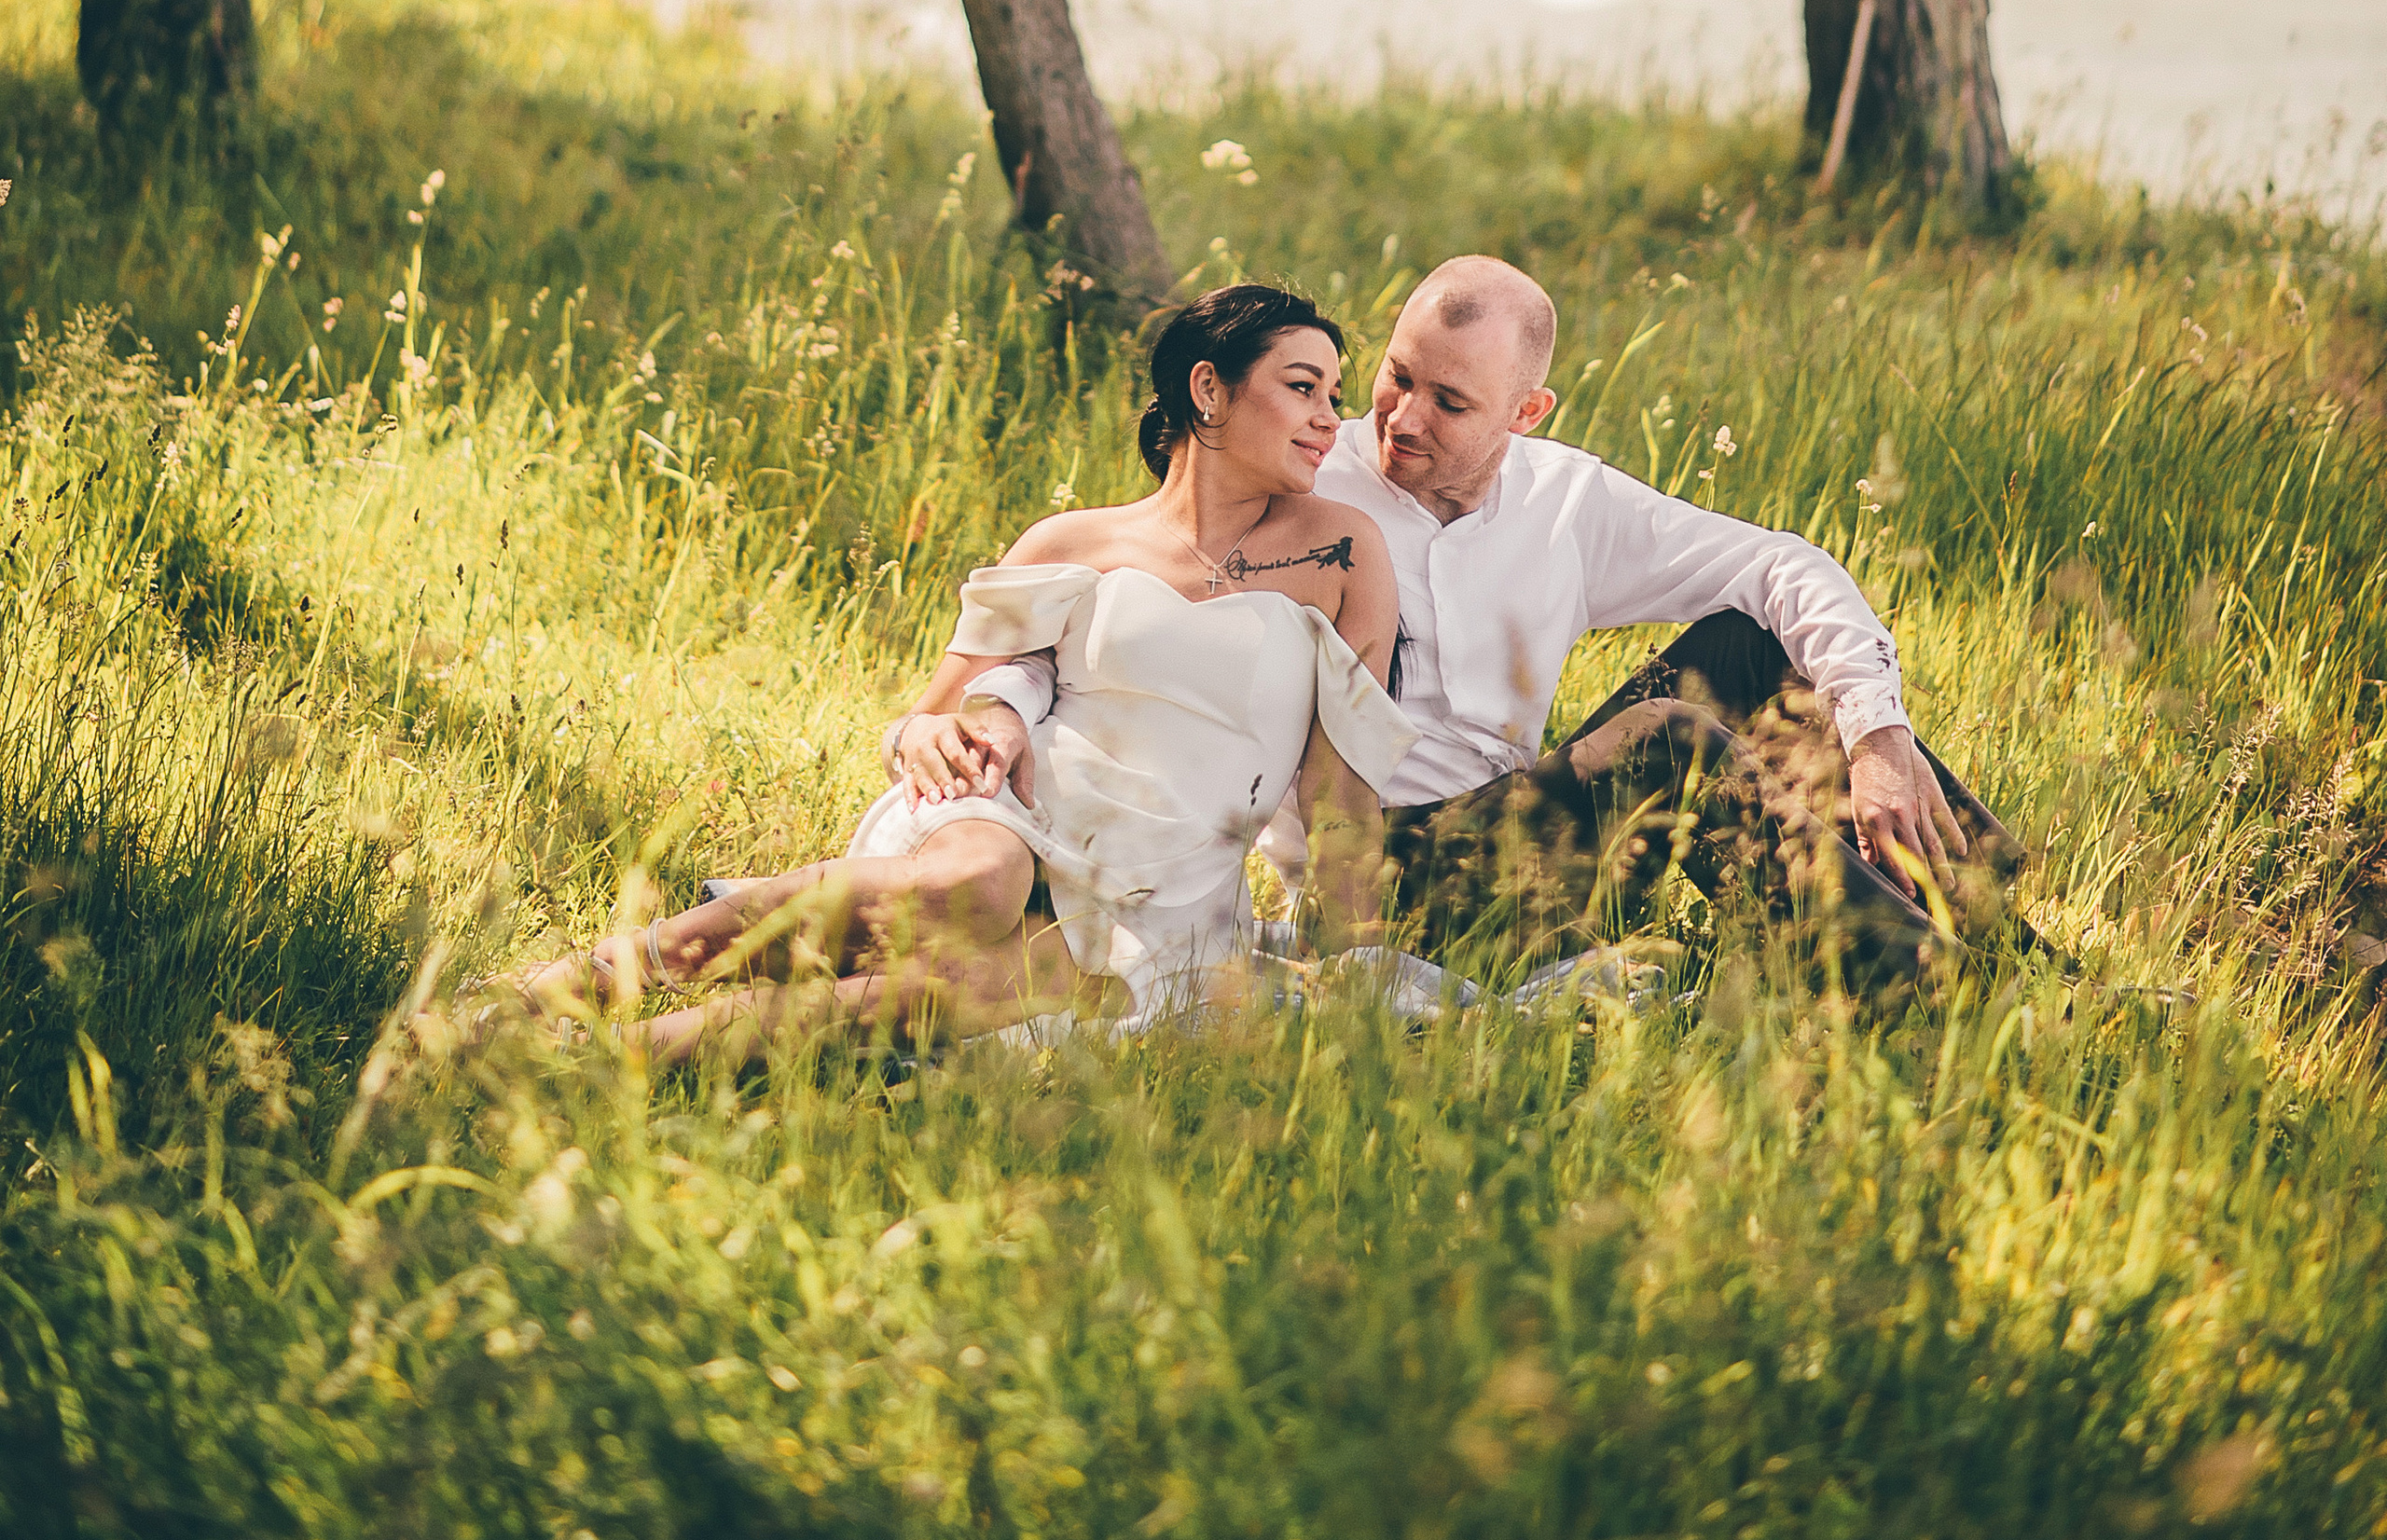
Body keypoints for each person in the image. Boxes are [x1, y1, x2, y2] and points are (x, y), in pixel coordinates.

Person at [525, 285, 1412, 1063]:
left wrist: (1355, 956)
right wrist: (935, 731)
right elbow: (927, 718)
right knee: (976, 888)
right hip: (1011, 816)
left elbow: (1340, 791)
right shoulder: (1075, 542)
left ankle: (598, 1066)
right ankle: (591, 978)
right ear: (1209, 389)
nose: (1333, 417)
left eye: (1334, 394)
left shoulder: (1342, 551)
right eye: (1302, 387)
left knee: (947, 994)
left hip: (1164, 885)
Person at [1287, 253, 2024, 986]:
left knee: (1749, 643)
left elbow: (1779, 565)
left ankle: (2018, 957)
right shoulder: (1307, 480)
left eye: (1450, 402)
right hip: (1384, 880)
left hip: (1531, 845)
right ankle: (1934, 989)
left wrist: (1878, 734)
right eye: (1398, 376)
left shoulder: (1561, 498)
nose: (1405, 418)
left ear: (1525, 412)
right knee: (1664, 741)